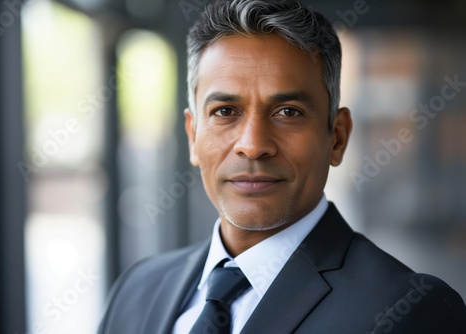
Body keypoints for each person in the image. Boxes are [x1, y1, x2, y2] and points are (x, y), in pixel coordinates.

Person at [98, 0, 466, 333]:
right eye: (225, 112)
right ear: (193, 137)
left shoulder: (410, 312)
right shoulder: (137, 290)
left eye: (288, 112)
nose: (254, 146)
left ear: (336, 137)